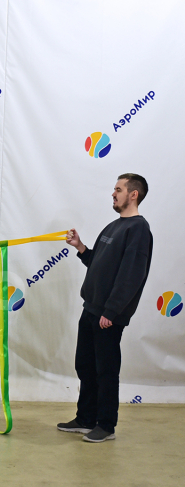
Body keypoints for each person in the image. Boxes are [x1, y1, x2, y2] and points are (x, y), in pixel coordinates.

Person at [58, 173, 153, 443]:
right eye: (114, 189)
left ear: (133, 194)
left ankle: (106, 425)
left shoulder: (139, 230)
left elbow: (131, 275)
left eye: (118, 189)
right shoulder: (113, 226)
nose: (113, 193)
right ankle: (86, 418)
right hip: (91, 309)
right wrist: (80, 247)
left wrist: (111, 312)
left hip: (108, 315)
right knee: (85, 365)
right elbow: (97, 262)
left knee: (106, 371)